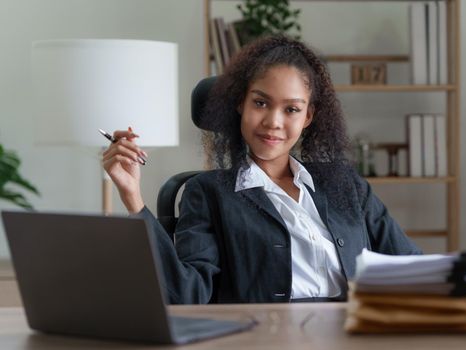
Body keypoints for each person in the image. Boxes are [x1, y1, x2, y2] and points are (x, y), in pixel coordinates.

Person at [102, 35, 421, 304]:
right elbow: (187, 293)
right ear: (240, 103)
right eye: (260, 103)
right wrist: (133, 197)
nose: (274, 122)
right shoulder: (208, 193)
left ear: (308, 117)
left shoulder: (346, 185)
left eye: (291, 109)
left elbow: (413, 268)